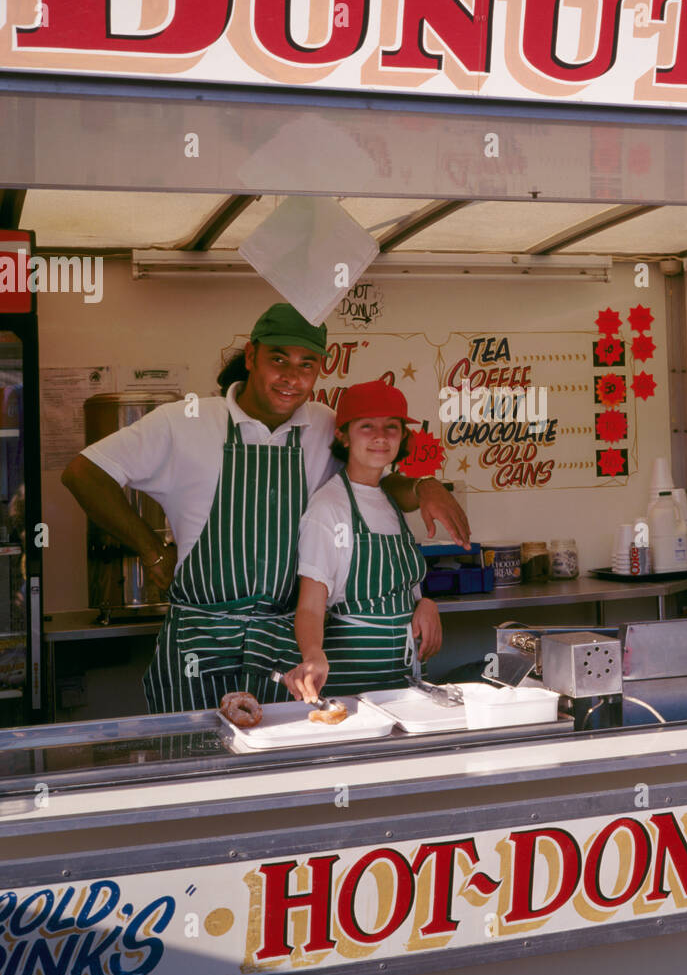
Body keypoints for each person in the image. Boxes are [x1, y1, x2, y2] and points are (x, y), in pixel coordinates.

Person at [61, 304, 469, 712]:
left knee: (277, 766)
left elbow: (373, 480)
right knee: (194, 764)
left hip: (280, 649)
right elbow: (83, 473)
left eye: (307, 365)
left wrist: (424, 485)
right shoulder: (184, 421)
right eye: (279, 360)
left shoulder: (323, 424)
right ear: (252, 356)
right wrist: (151, 553)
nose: (292, 377)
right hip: (198, 643)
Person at [283, 381, 440, 702]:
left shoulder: (389, 499)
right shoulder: (329, 508)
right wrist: (312, 654)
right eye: (367, 426)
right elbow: (310, 606)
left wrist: (424, 602)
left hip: (403, 684)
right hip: (351, 691)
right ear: (343, 435)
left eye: (392, 427)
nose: (381, 436)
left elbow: (401, 584)